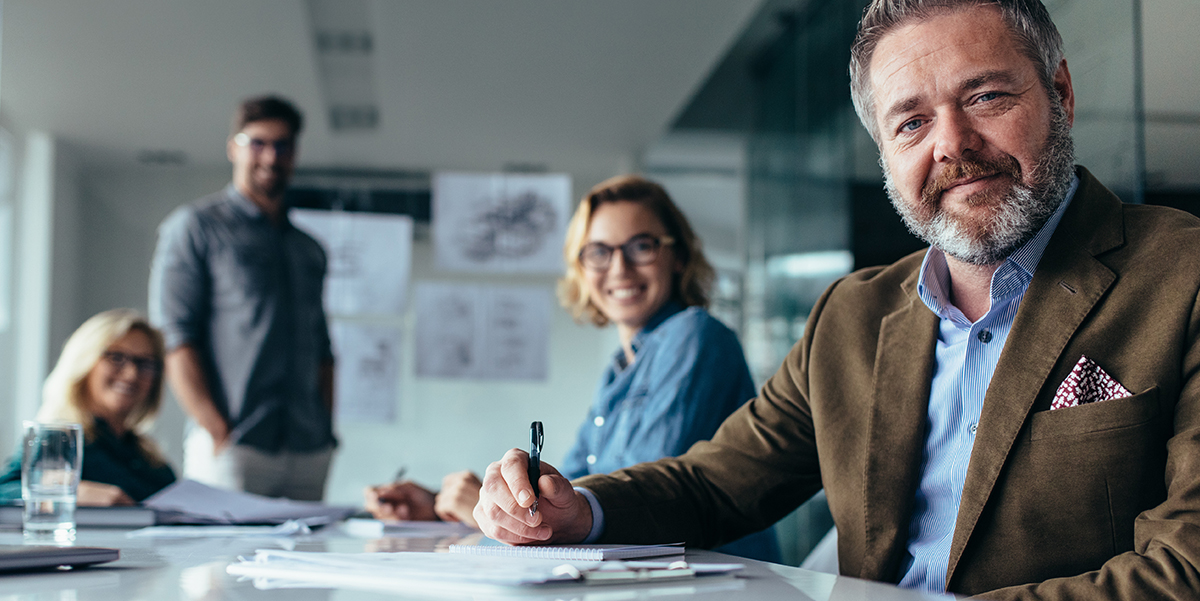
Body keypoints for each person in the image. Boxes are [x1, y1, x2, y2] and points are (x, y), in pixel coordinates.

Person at [472, 1, 1200, 598]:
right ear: (885, 152)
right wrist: (580, 508)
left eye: (985, 96)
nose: (950, 144)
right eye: (910, 122)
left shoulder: (1182, 273)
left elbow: (1186, 568)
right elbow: (717, 482)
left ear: (1061, 92)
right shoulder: (848, 318)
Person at [365, 175, 780, 562]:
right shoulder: (621, 367)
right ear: (581, 268)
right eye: (599, 251)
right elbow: (573, 492)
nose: (619, 268)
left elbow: (639, 502)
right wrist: (458, 504)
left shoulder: (694, 336)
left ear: (677, 256)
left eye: (641, 246)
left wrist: (506, 511)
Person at [149, 95, 336, 501]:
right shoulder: (195, 227)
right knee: (222, 565)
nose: (271, 156)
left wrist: (327, 429)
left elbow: (323, 348)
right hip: (235, 446)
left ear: (295, 154)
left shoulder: (310, 249)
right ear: (234, 147)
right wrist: (216, 429)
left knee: (307, 563)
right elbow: (175, 337)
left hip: (309, 448)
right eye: (258, 142)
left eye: (282, 145)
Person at [0, 310, 176, 505]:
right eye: (116, 357)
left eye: (145, 363)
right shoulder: (58, 439)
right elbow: (4, 490)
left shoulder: (149, 457)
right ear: (84, 361)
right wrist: (69, 490)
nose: (131, 374)